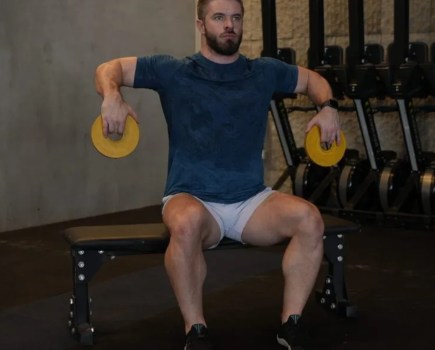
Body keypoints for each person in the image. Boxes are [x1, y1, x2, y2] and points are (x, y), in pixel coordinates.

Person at [95, 0, 341, 348]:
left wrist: (328, 108)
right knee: (186, 223)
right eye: (219, 17)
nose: (229, 25)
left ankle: (291, 325)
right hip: (191, 197)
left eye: (236, 18)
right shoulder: (173, 70)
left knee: (309, 218)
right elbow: (109, 68)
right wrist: (111, 97)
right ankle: (195, 330)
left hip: (251, 200)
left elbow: (314, 80)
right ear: (201, 25)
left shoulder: (264, 72)